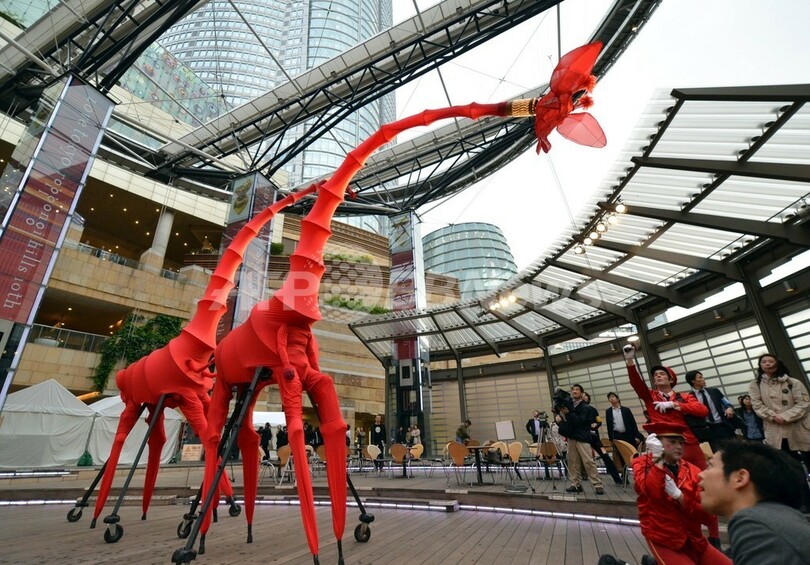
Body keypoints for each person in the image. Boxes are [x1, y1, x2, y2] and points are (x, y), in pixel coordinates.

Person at [622, 344, 720, 545]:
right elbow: (636, 383)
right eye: (655, 375)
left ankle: (715, 536)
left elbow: (702, 410)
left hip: (689, 444)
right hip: (663, 448)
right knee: (667, 491)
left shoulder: (684, 396)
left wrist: (675, 405)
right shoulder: (651, 396)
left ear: (671, 379)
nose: (658, 376)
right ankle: (682, 534)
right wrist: (630, 361)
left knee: (704, 489)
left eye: (662, 374)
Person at [632, 422, 731, 565]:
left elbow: (707, 517)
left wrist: (680, 497)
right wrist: (657, 459)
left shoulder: (693, 471)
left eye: (681, 442)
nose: (679, 446)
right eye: (672, 442)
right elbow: (654, 493)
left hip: (694, 539)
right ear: (657, 443)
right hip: (664, 540)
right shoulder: (642, 464)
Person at [698, 440, 810, 564]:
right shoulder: (778, 518)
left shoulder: (753, 523)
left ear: (740, 478)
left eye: (710, 465)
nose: (700, 474)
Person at [748, 353, 810, 470]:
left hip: (799, 426)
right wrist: (773, 416)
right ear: (760, 366)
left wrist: (785, 416)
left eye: (771, 361)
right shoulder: (755, 384)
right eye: (764, 362)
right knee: (789, 464)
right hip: (776, 429)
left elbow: (804, 403)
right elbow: (757, 405)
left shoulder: (793, 382)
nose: (767, 364)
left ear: (778, 364)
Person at [555, 384, 605, 495]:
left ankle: (597, 484)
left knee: (588, 461)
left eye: (577, 389)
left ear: (582, 393)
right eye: (573, 390)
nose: (574, 391)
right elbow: (567, 421)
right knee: (573, 462)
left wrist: (568, 413)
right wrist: (560, 419)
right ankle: (575, 484)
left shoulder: (585, 407)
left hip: (582, 437)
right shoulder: (568, 405)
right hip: (571, 437)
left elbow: (580, 421)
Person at [684, 370, 736, 451]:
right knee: (715, 452)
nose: (703, 379)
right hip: (707, 429)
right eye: (700, 377)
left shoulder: (714, 391)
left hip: (723, 426)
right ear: (693, 381)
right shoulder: (689, 397)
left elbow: (727, 403)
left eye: (702, 377)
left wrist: (729, 408)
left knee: (732, 450)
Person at [605, 392, 643, 474]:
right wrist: (611, 439)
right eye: (609, 398)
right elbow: (609, 426)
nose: (611, 399)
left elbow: (633, 423)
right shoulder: (608, 411)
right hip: (617, 436)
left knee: (632, 454)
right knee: (620, 456)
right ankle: (624, 474)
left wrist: (636, 436)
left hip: (628, 435)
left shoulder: (626, 410)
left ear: (617, 399)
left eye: (613, 397)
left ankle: (638, 473)